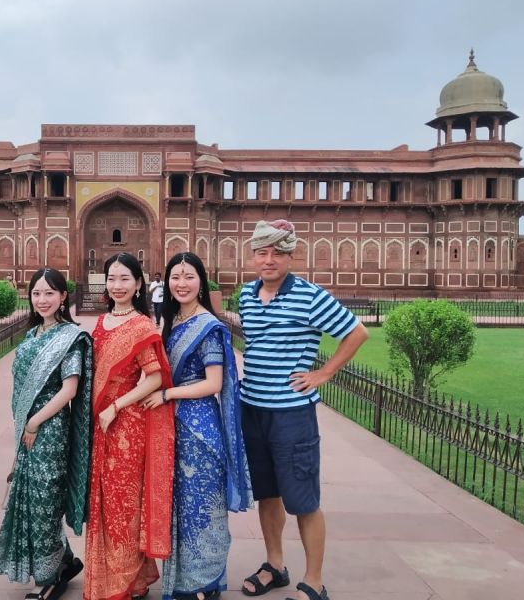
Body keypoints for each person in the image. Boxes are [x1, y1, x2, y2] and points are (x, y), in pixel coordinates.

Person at [238, 220, 368, 600]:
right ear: (253, 257)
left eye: (278, 252)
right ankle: (275, 565)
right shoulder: (247, 294)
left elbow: (357, 332)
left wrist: (323, 373)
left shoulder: (310, 296)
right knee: (268, 494)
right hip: (254, 407)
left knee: (304, 499)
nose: (269, 260)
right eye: (262, 252)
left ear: (291, 256)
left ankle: (314, 581)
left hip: (292, 413)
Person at [141, 252, 251, 600]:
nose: (182, 284)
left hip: (200, 427)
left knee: (203, 506)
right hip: (171, 425)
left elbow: (213, 384)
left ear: (201, 281)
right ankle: (181, 580)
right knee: (179, 506)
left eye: (189, 277)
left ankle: (204, 582)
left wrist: (168, 393)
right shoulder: (171, 321)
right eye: (176, 277)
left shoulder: (208, 326)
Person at [0, 267, 94, 600]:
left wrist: (35, 421)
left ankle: (48, 577)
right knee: (29, 497)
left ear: (63, 296)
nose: (42, 299)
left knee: (45, 501)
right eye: (36, 293)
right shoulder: (31, 335)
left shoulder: (69, 336)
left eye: (50, 293)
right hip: (28, 429)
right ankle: (63, 561)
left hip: (50, 430)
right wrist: (26, 422)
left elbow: (70, 389)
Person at [84, 252, 175, 600]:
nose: (117, 285)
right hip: (102, 425)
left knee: (123, 502)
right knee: (104, 502)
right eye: (112, 278)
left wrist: (116, 407)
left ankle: (125, 580)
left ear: (138, 284)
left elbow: (153, 378)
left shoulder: (140, 326)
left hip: (126, 426)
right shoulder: (102, 322)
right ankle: (112, 575)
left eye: (125, 279)